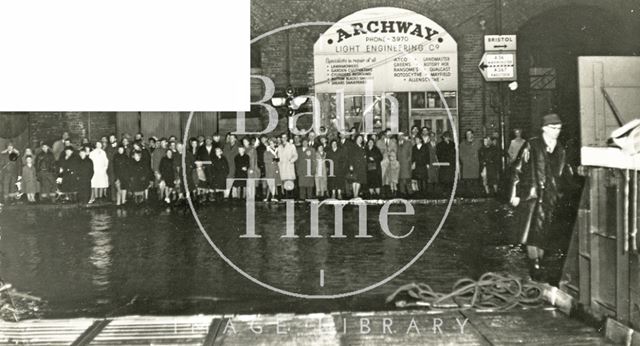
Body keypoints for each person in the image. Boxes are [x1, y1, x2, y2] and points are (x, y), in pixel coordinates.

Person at [509, 113, 576, 283]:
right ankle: (535, 266)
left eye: (559, 128)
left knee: (544, 234)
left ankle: (540, 264)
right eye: (553, 128)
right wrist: (514, 194)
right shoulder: (532, 145)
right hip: (532, 197)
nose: (557, 132)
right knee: (532, 233)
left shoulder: (560, 149)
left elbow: (565, 174)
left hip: (551, 198)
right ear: (544, 129)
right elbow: (517, 169)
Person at [459, 129, 481, 196]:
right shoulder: (462, 144)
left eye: (470, 134)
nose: (469, 136)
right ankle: (468, 196)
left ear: (472, 134)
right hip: (467, 166)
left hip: (475, 165)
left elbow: (481, 153)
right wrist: (465, 161)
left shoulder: (478, 143)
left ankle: (475, 196)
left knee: (475, 182)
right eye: (467, 134)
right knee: (467, 182)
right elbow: (461, 155)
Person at [277, 133, 298, 199]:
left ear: (287, 138)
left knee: (290, 181)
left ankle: (290, 196)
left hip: (289, 166)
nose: (284, 138)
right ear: (281, 138)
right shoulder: (279, 147)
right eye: (282, 137)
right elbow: (277, 156)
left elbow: (296, 155)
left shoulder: (292, 146)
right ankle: (285, 196)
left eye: (285, 137)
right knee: (284, 181)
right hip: (282, 167)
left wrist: (291, 161)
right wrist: (276, 162)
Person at [397, 133, 413, 197]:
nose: (400, 137)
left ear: (403, 136)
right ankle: (402, 191)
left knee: (408, 178)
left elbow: (410, 153)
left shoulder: (408, 143)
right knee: (401, 178)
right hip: (399, 163)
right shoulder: (397, 144)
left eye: (401, 136)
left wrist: (408, 161)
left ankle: (410, 192)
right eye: (399, 136)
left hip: (406, 163)